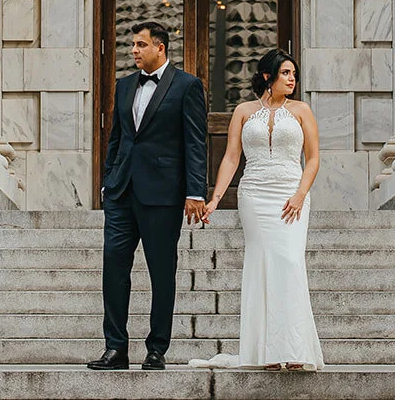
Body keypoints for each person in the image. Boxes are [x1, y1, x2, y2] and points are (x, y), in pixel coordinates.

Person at [86, 20, 208, 371]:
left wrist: (195, 191)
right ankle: (115, 348)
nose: (134, 51)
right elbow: (117, 138)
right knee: (114, 270)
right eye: (133, 45)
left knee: (161, 273)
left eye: (140, 45)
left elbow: (195, 143)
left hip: (163, 195)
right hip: (122, 193)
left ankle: (157, 348)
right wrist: (109, 180)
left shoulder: (187, 86)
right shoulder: (124, 86)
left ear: (160, 48)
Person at [198, 49, 325, 371]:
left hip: (289, 194)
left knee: (290, 261)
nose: (292, 79)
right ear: (268, 76)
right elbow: (231, 158)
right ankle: (267, 351)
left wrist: (300, 194)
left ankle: (294, 349)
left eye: (293, 73)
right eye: (285, 73)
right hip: (254, 195)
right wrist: (214, 199)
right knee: (261, 265)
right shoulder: (243, 111)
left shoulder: (302, 111)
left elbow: (312, 158)